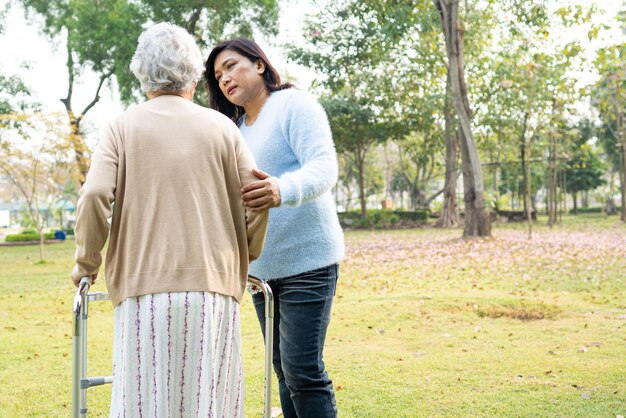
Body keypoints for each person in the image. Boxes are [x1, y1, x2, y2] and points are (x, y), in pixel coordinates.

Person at [70, 23, 268, 418]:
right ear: (194, 75)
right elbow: (257, 198)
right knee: (208, 402)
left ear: (142, 74)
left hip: (143, 291)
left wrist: (85, 263)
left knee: (145, 402)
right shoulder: (222, 128)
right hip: (214, 289)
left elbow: (93, 195)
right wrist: (245, 255)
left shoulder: (122, 126)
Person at [204, 39, 345, 418]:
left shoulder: (293, 105)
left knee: (303, 371)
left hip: (308, 262)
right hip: (262, 273)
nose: (225, 78)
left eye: (232, 66)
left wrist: (280, 190)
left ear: (260, 65)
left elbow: (324, 167)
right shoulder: (233, 128)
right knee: (284, 372)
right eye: (218, 76)